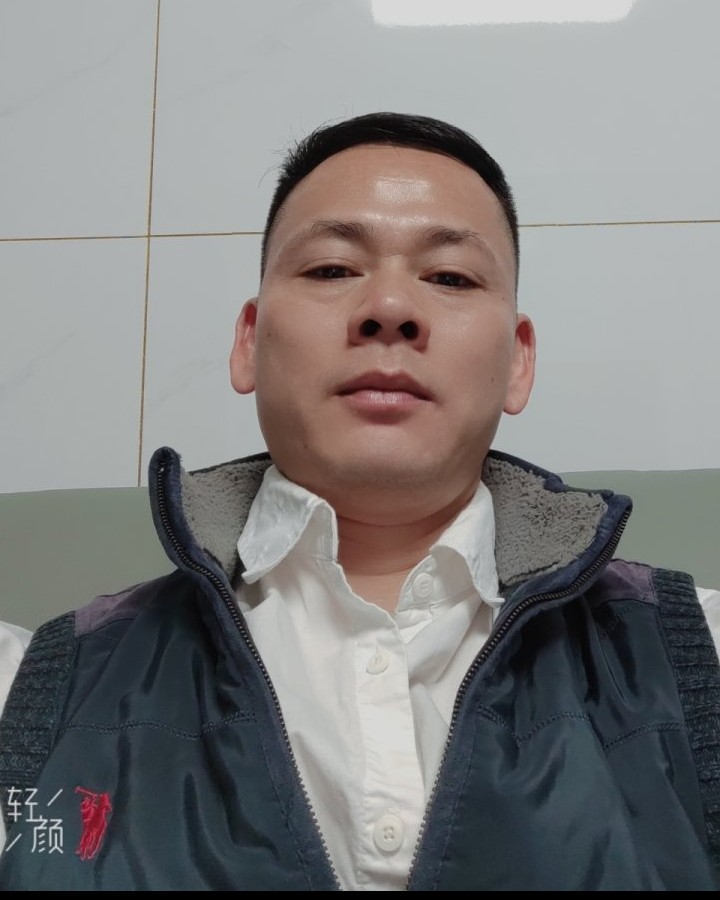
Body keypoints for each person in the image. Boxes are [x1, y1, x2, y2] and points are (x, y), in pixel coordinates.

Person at [1, 112, 719, 891]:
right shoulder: (31, 689)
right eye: (332, 268)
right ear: (248, 342)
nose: (390, 306)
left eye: (450, 277)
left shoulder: (697, 656)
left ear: (519, 362)